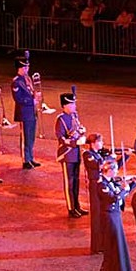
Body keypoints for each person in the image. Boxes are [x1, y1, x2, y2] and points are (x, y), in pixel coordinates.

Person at [98, 159, 136, 271]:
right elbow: (113, 198)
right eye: (114, 170)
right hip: (109, 216)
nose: (116, 173)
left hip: (115, 215)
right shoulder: (102, 185)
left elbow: (120, 194)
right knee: (113, 245)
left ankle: (121, 270)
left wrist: (132, 185)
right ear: (109, 171)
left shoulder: (111, 182)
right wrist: (125, 189)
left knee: (118, 243)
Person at [56, 88, 87, 217]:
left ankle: (77, 206)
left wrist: (82, 131)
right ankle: (71, 208)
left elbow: (77, 130)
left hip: (76, 153)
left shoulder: (74, 116)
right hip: (67, 154)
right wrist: (75, 143)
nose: (74, 106)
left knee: (76, 182)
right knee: (69, 182)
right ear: (65, 106)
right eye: (72, 104)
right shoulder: (61, 119)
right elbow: (62, 139)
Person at [11, 52, 43, 169]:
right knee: (25, 137)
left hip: (31, 112)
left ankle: (30, 157)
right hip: (24, 113)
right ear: (19, 68)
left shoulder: (27, 79)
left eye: (28, 67)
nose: (27, 69)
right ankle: (26, 160)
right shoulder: (17, 82)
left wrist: (36, 95)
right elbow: (18, 98)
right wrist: (31, 101)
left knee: (31, 136)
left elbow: (30, 92)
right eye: (25, 67)